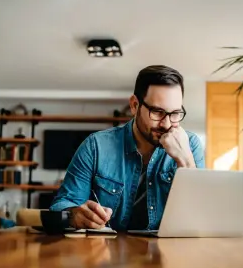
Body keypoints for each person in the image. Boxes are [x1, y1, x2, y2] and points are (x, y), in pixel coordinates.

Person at [49, 65, 205, 231]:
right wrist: (74, 214)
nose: (166, 124)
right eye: (157, 112)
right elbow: (60, 205)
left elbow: (201, 218)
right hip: (106, 252)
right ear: (134, 105)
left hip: (167, 253)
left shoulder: (190, 144)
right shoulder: (95, 146)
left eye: (175, 113)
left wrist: (186, 162)